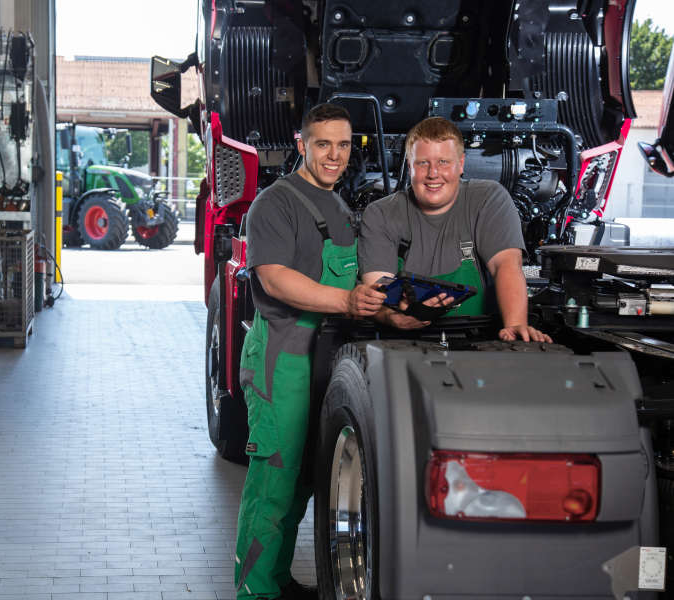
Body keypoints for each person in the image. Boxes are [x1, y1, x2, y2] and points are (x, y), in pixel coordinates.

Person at [234, 104, 385, 600]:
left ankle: (276, 580)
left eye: (343, 145)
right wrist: (346, 300)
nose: (334, 155)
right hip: (282, 359)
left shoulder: (339, 206)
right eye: (323, 144)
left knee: (302, 482)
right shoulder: (276, 204)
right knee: (273, 483)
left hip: (323, 359)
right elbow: (274, 277)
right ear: (302, 145)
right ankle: (254, 591)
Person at [359, 116, 551, 342]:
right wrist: (392, 317)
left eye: (443, 162)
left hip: (476, 343)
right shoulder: (381, 214)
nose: (433, 173)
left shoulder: (487, 199)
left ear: (460, 164)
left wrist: (515, 326)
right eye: (422, 163)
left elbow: (505, 264)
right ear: (409, 165)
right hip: (404, 345)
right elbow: (377, 291)